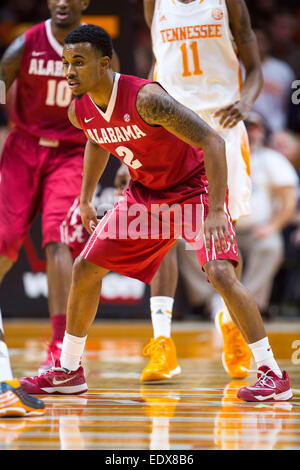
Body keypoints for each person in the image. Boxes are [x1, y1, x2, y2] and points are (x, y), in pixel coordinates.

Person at [19, 24, 293, 403]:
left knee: (219, 273)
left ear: (105, 63)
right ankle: (69, 370)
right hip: (145, 196)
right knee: (85, 268)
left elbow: (212, 142)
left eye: (78, 63)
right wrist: (84, 197)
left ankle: (272, 373)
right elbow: (97, 138)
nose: (68, 71)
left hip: (193, 189)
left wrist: (216, 211)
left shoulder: (148, 99)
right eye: (65, 63)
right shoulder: (79, 109)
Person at [0, 0, 119, 414]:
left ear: (85, 2)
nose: (63, 1)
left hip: (70, 153)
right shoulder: (23, 47)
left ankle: (60, 348)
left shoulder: (98, 48)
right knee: (5, 241)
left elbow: (115, 97)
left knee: (57, 239)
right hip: (23, 147)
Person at [137, 0, 263, 382]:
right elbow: (157, 65)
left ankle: (228, 321)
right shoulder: (154, 4)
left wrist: (245, 101)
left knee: (222, 234)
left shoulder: (227, 3)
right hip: (171, 128)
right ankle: (162, 345)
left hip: (221, 128)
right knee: (162, 235)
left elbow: (254, 68)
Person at [236, 112, 298, 315]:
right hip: (224, 228)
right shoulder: (222, 153)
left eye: (256, 128)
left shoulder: (271, 159)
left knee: (270, 246)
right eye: (247, 126)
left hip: (257, 229)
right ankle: (211, 301)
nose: (253, 132)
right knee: (187, 244)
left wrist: (273, 225)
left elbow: (288, 199)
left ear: (263, 132)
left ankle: (246, 306)